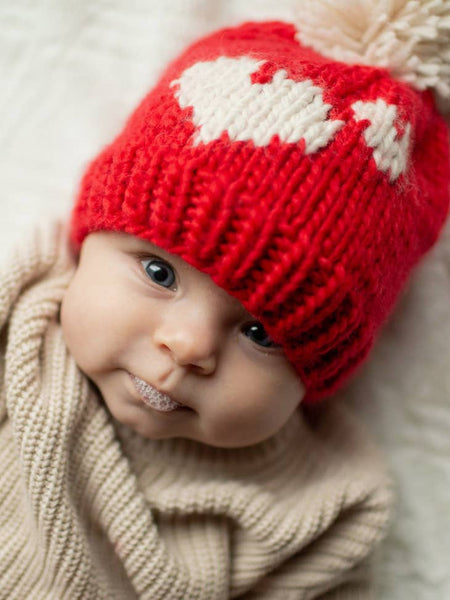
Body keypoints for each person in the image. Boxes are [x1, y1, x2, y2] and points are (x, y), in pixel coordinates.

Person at [0, 5, 449, 598]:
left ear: (316, 377)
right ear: (89, 242)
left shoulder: (321, 507)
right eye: (159, 272)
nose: (187, 347)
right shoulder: (17, 333)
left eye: (262, 334)